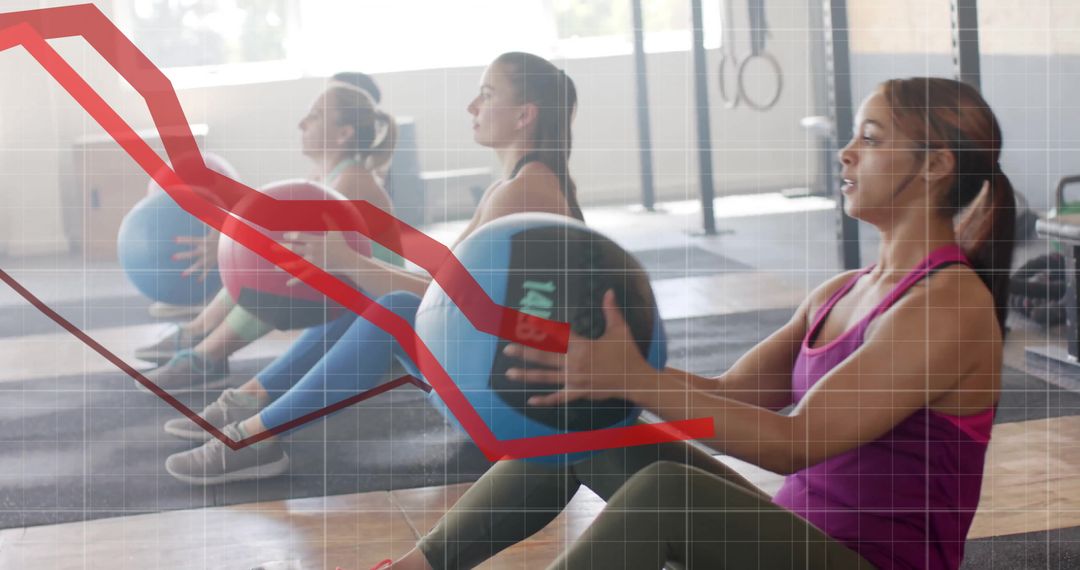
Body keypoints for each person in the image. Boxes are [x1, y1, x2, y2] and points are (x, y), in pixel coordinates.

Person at [386, 77, 1015, 570]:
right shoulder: (842, 291)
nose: (846, 153)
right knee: (590, 421)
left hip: (866, 563)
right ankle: (417, 566)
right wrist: (605, 372)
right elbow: (736, 396)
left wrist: (636, 379)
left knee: (663, 491)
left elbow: (794, 443)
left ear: (935, 166)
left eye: (872, 140)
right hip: (796, 540)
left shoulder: (948, 307)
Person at [163, 52, 585, 485]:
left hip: (520, 413)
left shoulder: (526, 192)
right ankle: (251, 404)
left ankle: (253, 437)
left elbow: (448, 299)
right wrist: (351, 269)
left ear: (524, 116)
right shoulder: (512, 185)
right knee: (370, 299)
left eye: (487, 95)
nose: (472, 107)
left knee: (394, 307)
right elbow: (444, 284)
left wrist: (348, 262)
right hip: (500, 386)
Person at [136, 72, 396, 392]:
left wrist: (229, 235)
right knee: (265, 261)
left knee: (273, 272)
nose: (302, 123)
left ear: (343, 133)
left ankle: (207, 354)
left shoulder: (352, 181)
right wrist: (225, 234)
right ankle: (199, 332)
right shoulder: (326, 176)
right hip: (344, 282)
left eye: (314, 116)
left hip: (373, 298)